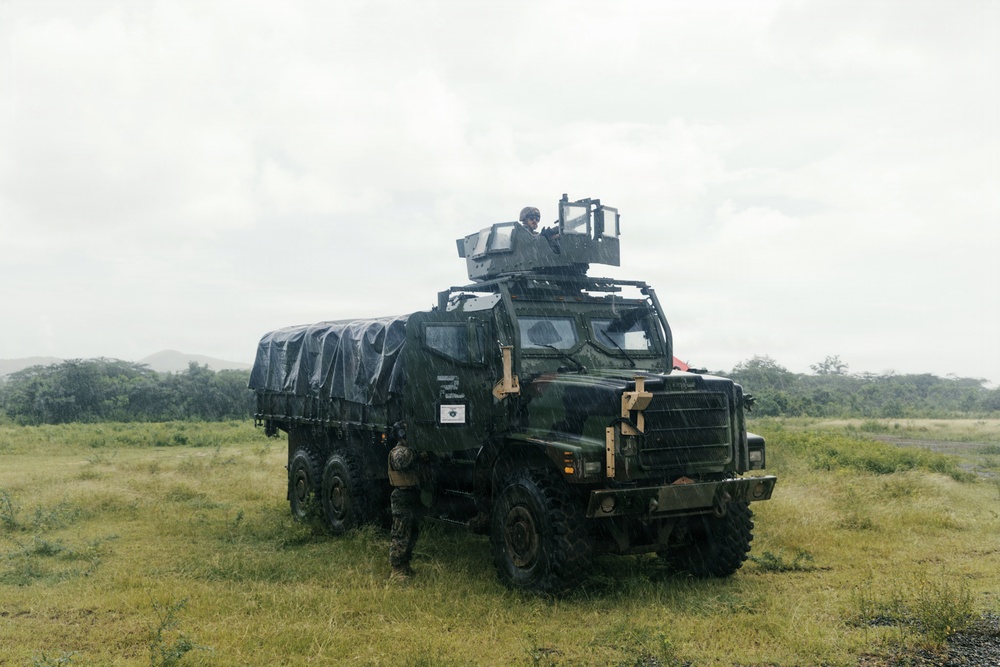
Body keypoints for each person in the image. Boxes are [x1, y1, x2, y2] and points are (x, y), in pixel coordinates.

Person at [387, 421, 421, 580]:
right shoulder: (398, 452)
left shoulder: (409, 450)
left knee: (412, 531)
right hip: (401, 495)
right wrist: (418, 451)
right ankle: (396, 568)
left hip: (412, 494)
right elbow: (403, 461)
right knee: (400, 533)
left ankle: (405, 564)